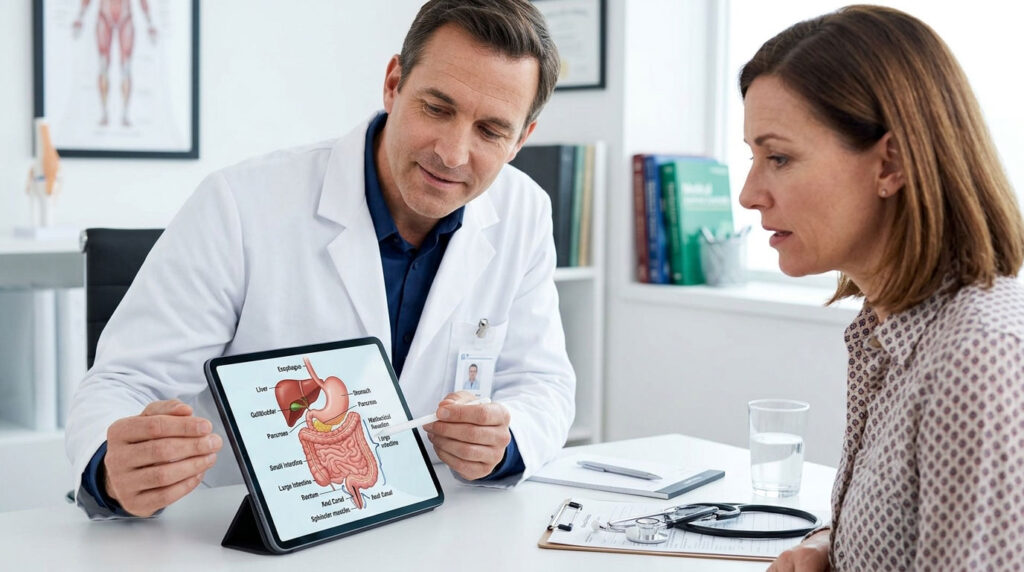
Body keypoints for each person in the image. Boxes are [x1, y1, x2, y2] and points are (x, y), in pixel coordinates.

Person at [66, 0, 575, 520]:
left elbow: (543, 383)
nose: (452, 152)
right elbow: (124, 382)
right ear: (394, 84)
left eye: (490, 131)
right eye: (437, 108)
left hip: (425, 525)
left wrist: (504, 439)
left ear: (521, 139)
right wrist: (112, 467)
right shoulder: (240, 204)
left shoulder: (524, 211)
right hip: (243, 531)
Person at [737, 5, 1024, 570]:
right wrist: (828, 547)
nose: (749, 194)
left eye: (779, 157)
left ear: (890, 164)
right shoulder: (888, 324)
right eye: (753, 157)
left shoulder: (978, 354)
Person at [72, 0, 158, 127]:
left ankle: (125, 114)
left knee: (126, 68)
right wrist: (80, 17)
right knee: (103, 66)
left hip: (125, 16)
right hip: (104, 15)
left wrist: (150, 23)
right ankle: (104, 113)